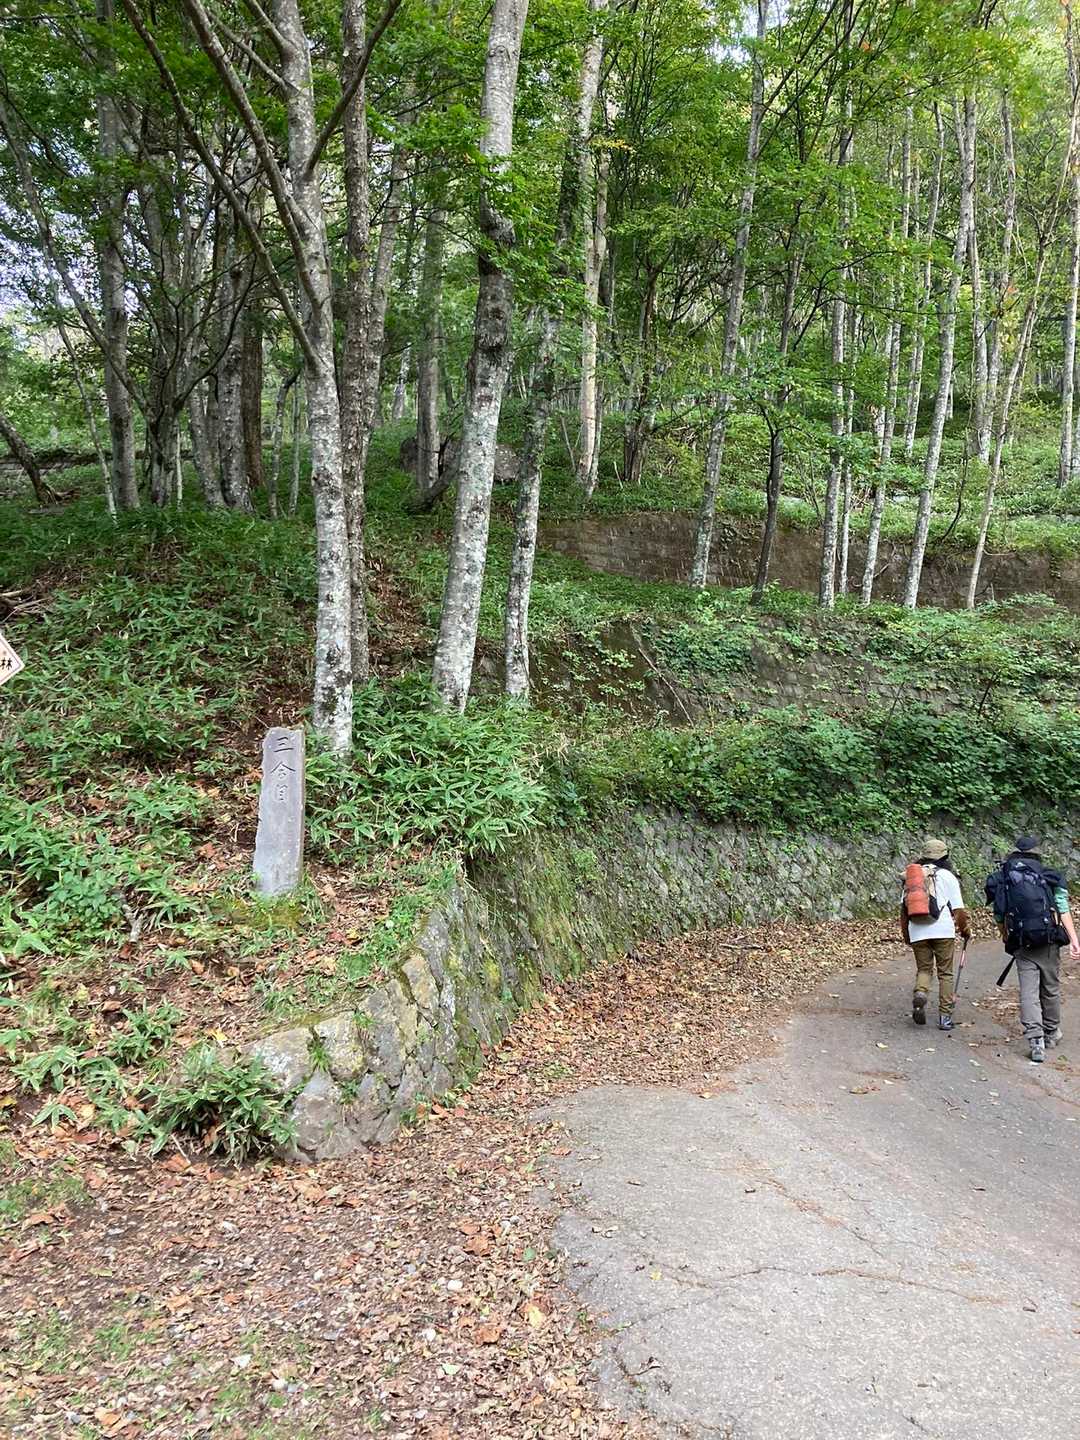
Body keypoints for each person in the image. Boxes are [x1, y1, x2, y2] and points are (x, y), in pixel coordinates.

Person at [985, 836, 1080, 1064]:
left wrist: (1005, 935)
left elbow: (999, 913)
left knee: (1028, 991)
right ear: (1037, 853)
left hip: (1021, 941)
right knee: (1050, 987)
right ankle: (1051, 1032)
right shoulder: (1049, 875)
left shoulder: (1003, 877)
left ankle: (1035, 1040)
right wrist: (1074, 939)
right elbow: (1063, 908)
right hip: (1048, 940)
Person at [901, 838, 971, 1032]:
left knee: (924, 970)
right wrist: (965, 930)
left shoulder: (912, 877)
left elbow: (903, 911)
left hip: (917, 929)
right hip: (943, 930)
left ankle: (921, 993)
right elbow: (959, 911)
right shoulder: (947, 876)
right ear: (945, 857)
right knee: (945, 973)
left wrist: (907, 936)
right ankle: (945, 1018)